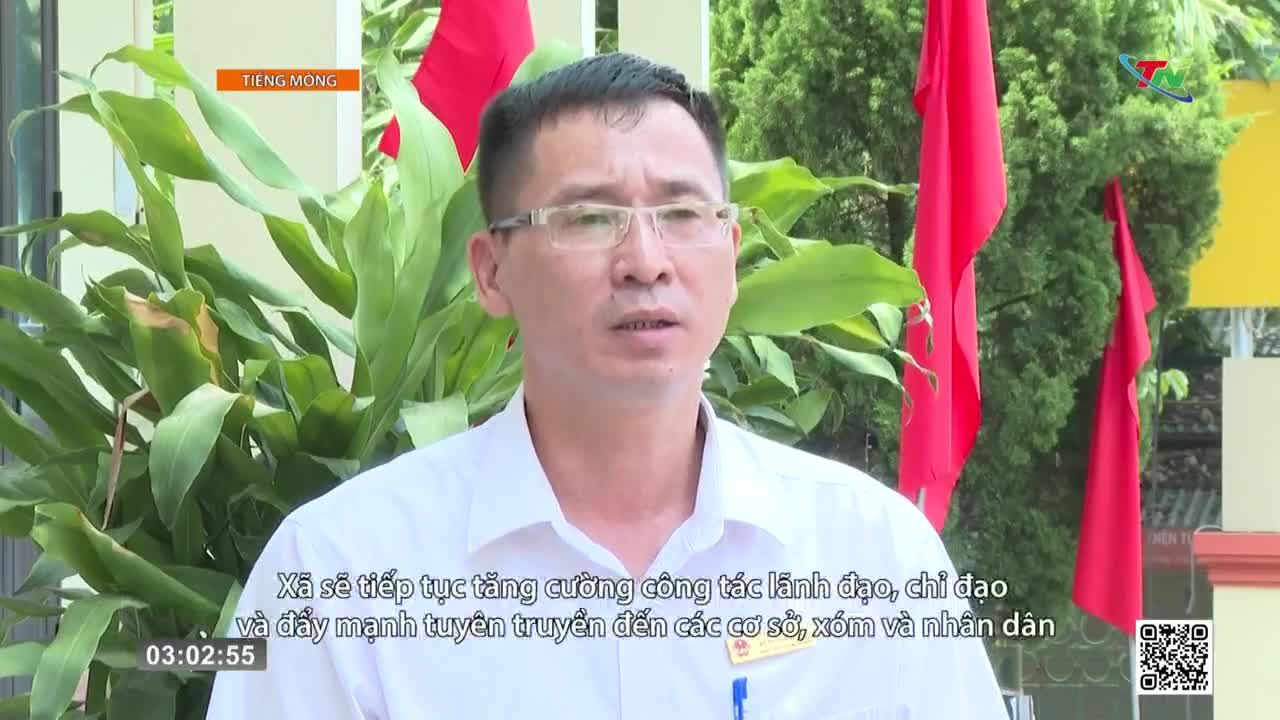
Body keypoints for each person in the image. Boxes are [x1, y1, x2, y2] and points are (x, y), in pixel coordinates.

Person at [205, 52, 1008, 720]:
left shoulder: (876, 556)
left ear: (730, 254)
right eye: (588, 219)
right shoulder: (340, 576)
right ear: (492, 272)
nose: (645, 260)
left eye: (683, 213)